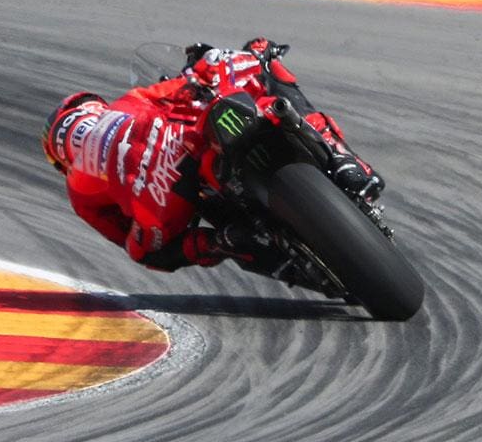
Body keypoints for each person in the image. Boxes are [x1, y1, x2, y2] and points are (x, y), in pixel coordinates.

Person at [42, 39, 382, 272]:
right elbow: (188, 84)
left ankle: (225, 240)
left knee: (146, 252)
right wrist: (242, 56)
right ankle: (341, 157)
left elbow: (129, 243)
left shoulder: (78, 191)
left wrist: (189, 240)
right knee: (264, 73)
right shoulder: (126, 104)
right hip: (185, 141)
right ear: (94, 107)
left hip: (159, 198)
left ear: (61, 159)